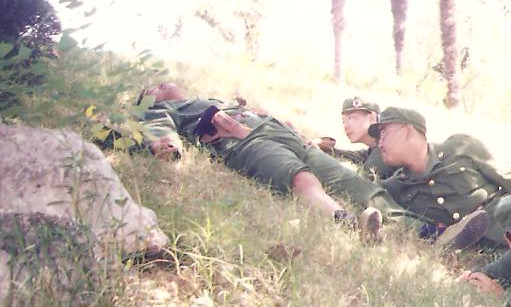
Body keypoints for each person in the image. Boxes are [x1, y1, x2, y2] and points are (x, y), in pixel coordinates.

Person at [136, 83, 487, 249]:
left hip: (280, 134)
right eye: (153, 87)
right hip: (240, 142)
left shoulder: (211, 97)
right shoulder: (168, 109)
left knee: (358, 185)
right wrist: (165, 143)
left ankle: (428, 232)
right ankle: (346, 222)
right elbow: (157, 126)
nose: (162, 84)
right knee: (299, 178)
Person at [370, 107, 511, 246]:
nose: (380, 143)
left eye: (384, 133)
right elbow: (368, 193)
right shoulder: (396, 186)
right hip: (499, 251)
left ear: (408, 131)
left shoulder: (459, 147)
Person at [319, 97, 399, 181]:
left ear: (372, 117)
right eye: (343, 121)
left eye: (351, 118)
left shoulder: (387, 148)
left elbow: (360, 181)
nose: (346, 126)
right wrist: (331, 150)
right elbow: (360, 156)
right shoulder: (377, 146)